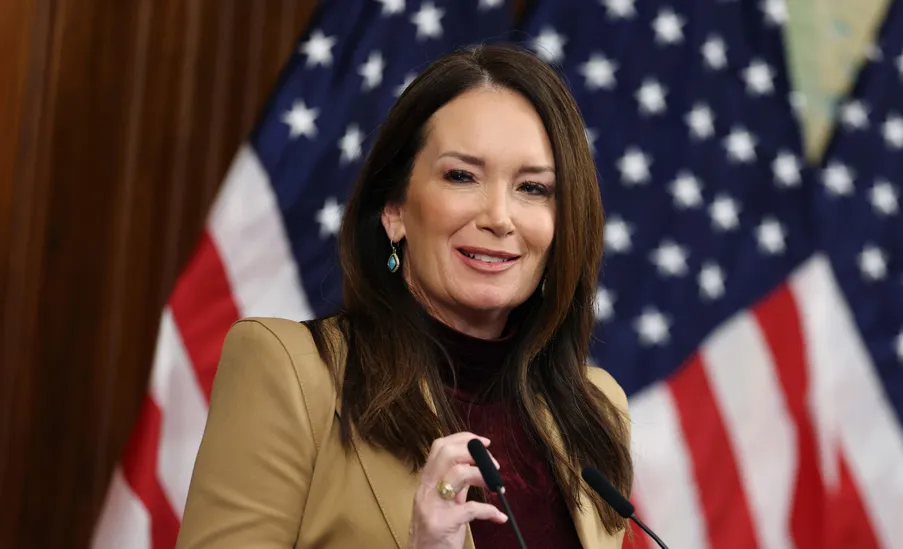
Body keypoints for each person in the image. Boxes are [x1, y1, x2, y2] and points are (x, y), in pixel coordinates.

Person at [175, 44, 634, 549]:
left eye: (533, 188)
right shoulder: (292, 372)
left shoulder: (596, 408)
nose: (499, 218)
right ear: (394, 209)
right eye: (462, 176)